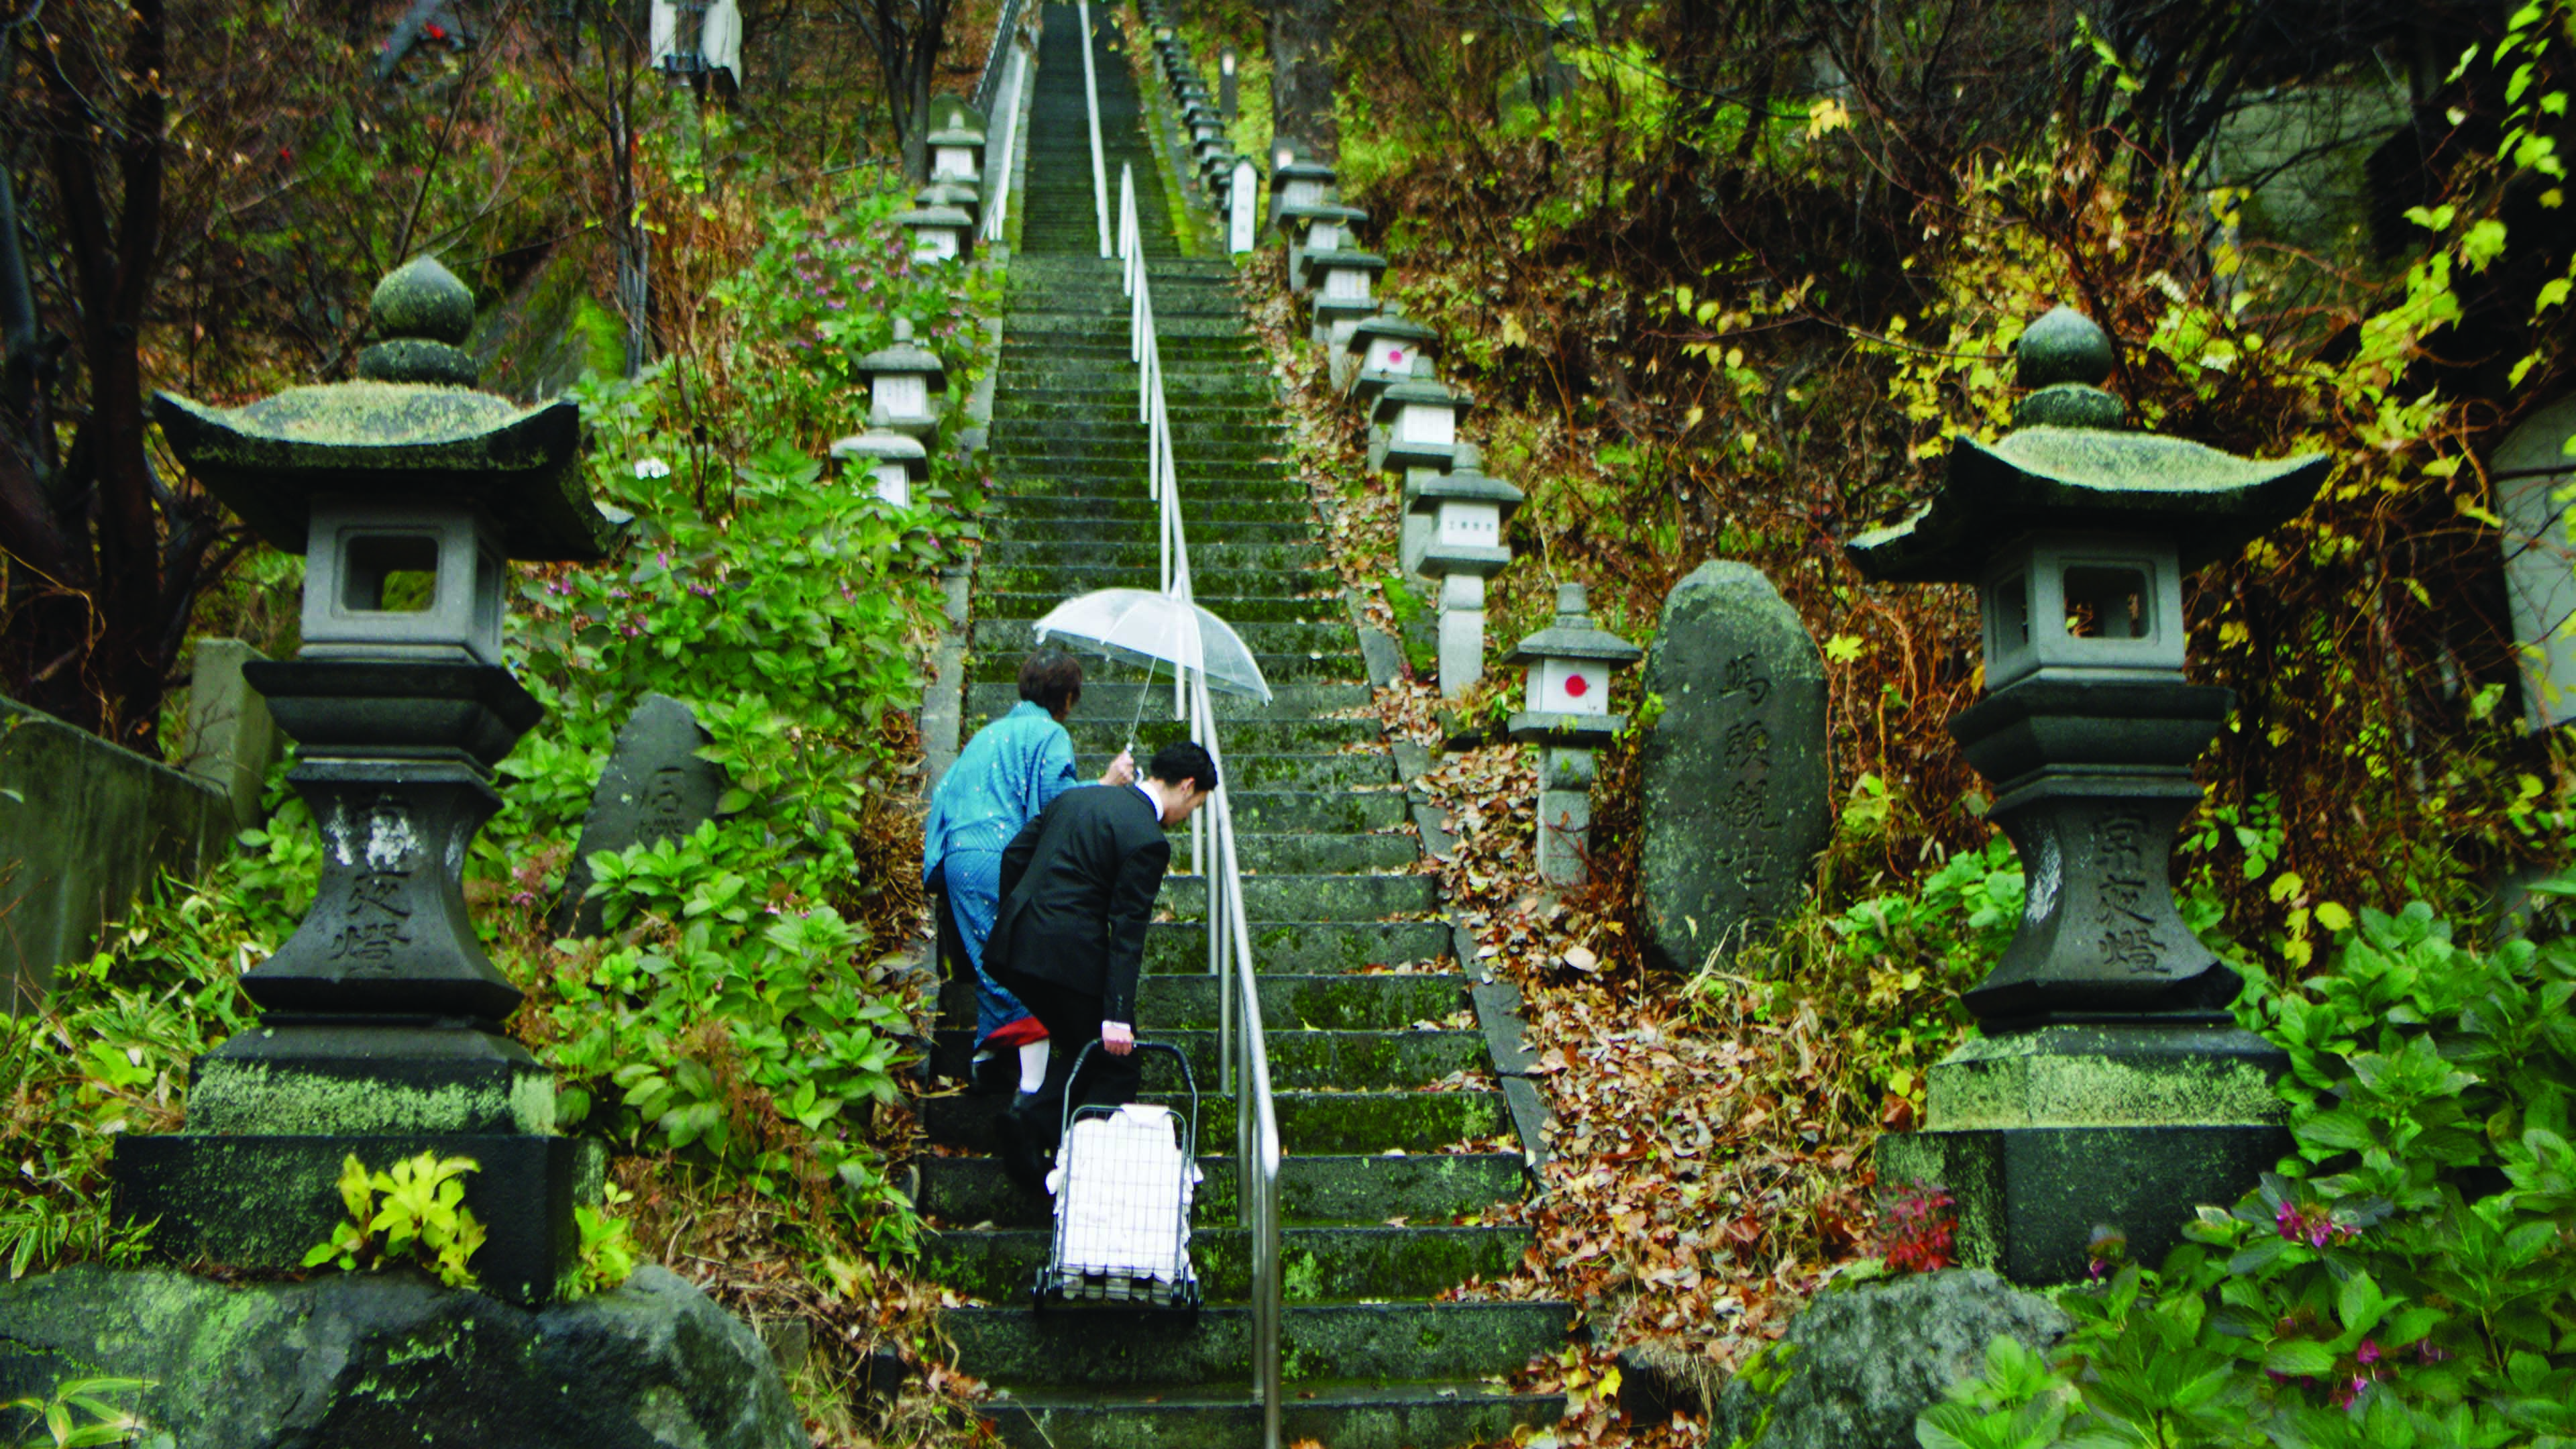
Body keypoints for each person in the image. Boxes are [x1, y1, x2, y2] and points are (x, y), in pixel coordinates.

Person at [987, 739, 1217, 1190]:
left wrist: (1020, 917)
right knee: (1117, 1063)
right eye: (1196, 805)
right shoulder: (1149, 840)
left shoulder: (1078, 796)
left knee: (1082, 1047)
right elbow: (1127, 932)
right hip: (1067, 956)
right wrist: (1117, 1015)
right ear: (1187, 787)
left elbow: (1015, 854)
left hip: (1015, 946)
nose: (1189, 816)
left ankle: (1035, 1130)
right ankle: (1052, 1143)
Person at [922, 650, 1134, 1097]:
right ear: (1069, 698)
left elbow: (944, 791)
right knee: (1026, 966)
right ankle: (1031, 1090)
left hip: (961, 856)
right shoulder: (1050, 734)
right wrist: (1108, 784)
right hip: (1005, 858)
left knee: (991, 961)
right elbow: (1057, 804)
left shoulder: (986, 734)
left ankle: (987, 1058)